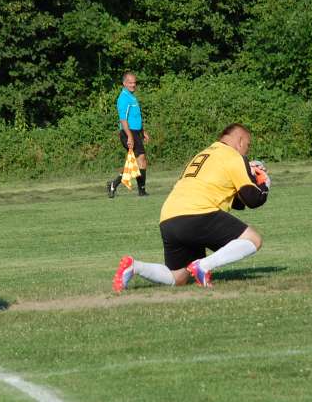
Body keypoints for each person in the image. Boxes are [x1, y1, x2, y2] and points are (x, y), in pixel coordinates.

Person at [112, 123, 270, 291]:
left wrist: (249, 176)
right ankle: (203, 266)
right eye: (247, 145)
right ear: (240, 141)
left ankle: (134, 267)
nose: (247, 150)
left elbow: (237, 202)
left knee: (178, 277)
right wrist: (265, 184)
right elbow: (253, 200)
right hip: (198, 213)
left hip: (169, 218)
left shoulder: (204, 154)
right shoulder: (233, 156)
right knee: (253, 240)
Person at [107, 72, 150, 197]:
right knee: (140, 160)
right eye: (130, 83)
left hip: (136, 132)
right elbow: (123, 119)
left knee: (136, 162)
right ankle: (140, 190)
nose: (133, 85)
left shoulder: (132, 97)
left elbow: (135, 117)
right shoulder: (123, 98)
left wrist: (143, 131)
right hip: (128, 133)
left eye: (134, 83)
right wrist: (130, 136)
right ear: (124, 83)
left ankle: (114, 185)